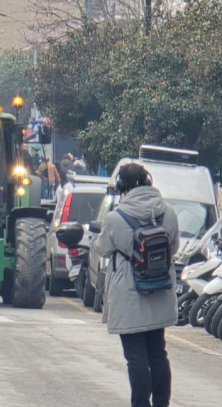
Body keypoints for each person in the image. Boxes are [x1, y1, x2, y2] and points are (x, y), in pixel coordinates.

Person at [94, 163, 179, 407]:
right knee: (158, 353)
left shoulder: (115, 217)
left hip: (129, 295)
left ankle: (140, 404)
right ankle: (162, 403)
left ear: (122, 186)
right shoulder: (168, 213)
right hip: (160, 290)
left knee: (135, 358)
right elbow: (173, 248)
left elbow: (102, 248)